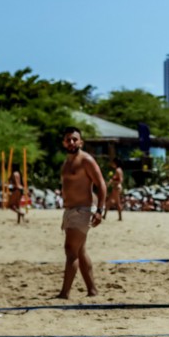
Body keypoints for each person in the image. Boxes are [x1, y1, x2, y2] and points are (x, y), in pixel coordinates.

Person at [58, 127, 107, 299]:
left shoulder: (86, 160)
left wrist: (100, 210)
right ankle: (92, 290)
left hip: (82, 209)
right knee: (79, 251)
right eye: (68, 139)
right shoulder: (67, 162)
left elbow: (101, 184)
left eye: (74, 139)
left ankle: (65, 293)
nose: (71, 142)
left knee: (70, 249)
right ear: (64, 142)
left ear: (81, 142)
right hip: (70, 210)